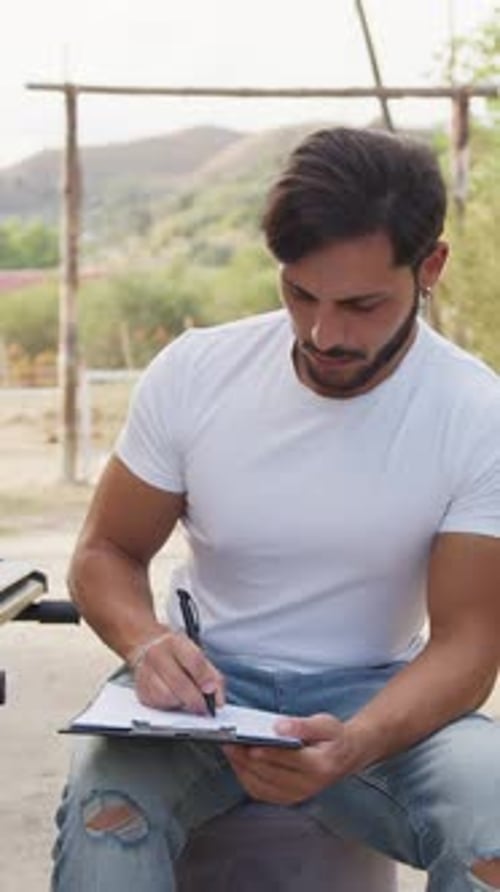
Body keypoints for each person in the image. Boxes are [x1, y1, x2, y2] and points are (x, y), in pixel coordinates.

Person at [52, 127, 500, 892]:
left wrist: (357, 742)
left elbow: (470, 643)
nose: (324, 333)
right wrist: (146, 643)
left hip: (376, 696)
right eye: (300, 294)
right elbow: (106, 552)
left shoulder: (476, 412)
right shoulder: (197, 372)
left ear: (430, 267)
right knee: (106, 810)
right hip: (202, 696)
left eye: (361, 304)